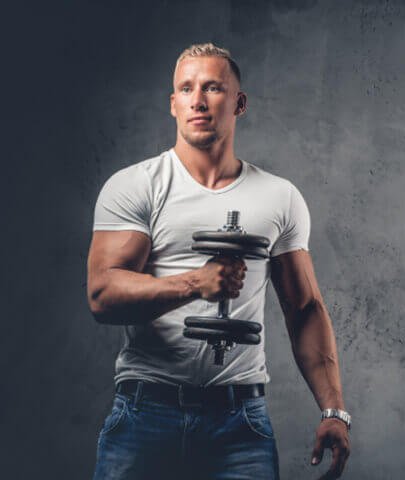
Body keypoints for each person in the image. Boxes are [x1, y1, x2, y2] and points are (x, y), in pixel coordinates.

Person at [87, 42, 350, 480]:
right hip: (144, 414)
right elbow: (102, 294)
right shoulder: (136, 186)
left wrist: (334, 410)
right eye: (186, 89)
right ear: (173, 104)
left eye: (212, 88)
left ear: (239, 103)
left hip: (240, 422)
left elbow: (305, 308)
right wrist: (196, 283)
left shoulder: (279, 196)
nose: (198, 100)